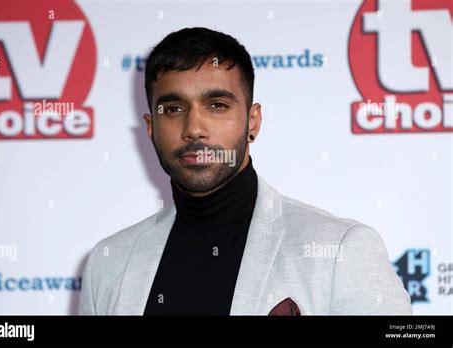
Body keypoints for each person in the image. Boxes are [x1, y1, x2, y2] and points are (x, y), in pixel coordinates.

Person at [79, 27, 412, 315]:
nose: (194, 128)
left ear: (253, 121)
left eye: (217, 106)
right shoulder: (109, 264)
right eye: (174, 108)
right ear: (151, 127)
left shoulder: (340, 250)